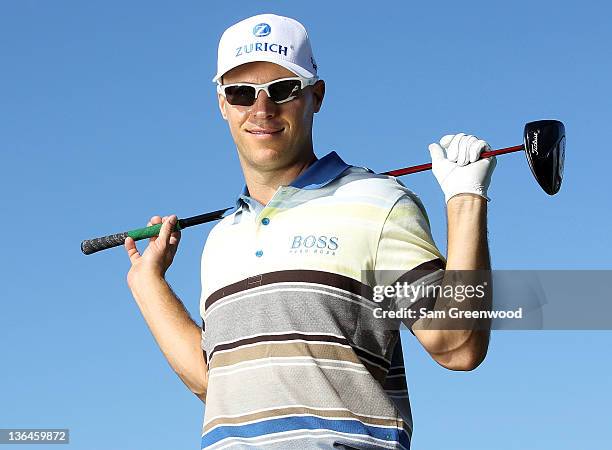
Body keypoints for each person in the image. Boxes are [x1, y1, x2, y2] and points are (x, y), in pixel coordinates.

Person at [124, 13, 496, 450]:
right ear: (222, 104)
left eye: (282, 90)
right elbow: (216, 385)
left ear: (315, 96)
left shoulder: (378, 203)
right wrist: (147, 284)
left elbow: (457, 345)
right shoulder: (222, 238)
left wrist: (466, 198)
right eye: (242, 93)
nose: (262, 110)